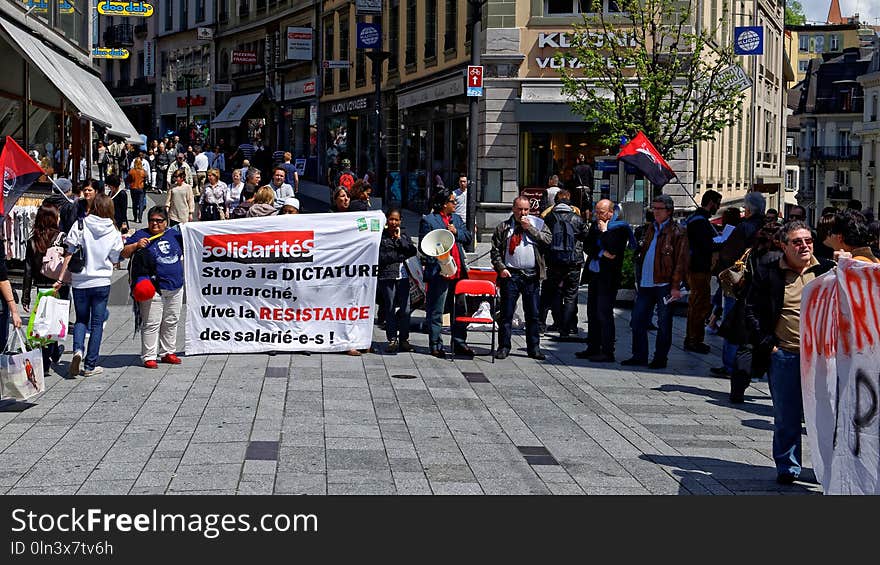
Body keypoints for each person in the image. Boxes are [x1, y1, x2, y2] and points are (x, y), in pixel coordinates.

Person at [743, 221, 834, 484]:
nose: (804, 245)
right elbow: (751, 309)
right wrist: (767, 345)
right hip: (785, 354)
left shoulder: (827, 269)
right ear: (783, 245)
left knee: (824, 416)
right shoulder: (769, 271)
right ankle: (788, 466)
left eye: (808, 240)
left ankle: (824, 467)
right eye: (797, 241)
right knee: (787, 414)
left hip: (821, 358)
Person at [53, 193, 124, 378]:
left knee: (81, 319)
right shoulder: (114, 231)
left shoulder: (80, 224)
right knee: (97, 323)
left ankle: (77, 350)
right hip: (101, 280)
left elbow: (69, 249)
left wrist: (60, 278)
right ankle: (90, 365)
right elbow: (116, 258)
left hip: (80, 280)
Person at [623, 194, 688, 370]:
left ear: (669, 211)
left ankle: (660, 358)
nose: (655, 212)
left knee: (664, 323)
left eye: (659, 209)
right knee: (637, 321)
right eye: (653, 208)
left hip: (664, 285)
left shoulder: (677, 232)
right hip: (646, 283)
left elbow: (681, 261)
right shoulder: (651, 228)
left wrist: (675, 286)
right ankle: (639, 355)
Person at [121, 206, 184, 369]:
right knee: (151, 322)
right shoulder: (141, 234)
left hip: (176, 286)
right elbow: (124, 253)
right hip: (153, 286)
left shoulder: (175, 234)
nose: (155, 224)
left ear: (166, 221)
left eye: (159, 220)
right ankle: (149, 355)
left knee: (171, 320)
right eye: (152, 220)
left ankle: (168, 351)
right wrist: (136, 245)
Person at [490, 196, 552, 360]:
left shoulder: (538, 223)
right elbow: (495, 251)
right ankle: (504, 346)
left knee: (532, 314)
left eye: (526, 209)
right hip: (511, 274)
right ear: (513, 209)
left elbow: (548, 241)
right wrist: (501, 268)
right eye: (519, 209)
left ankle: (534, 348)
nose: (523, 213)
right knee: (506, 313)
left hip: (531, 275)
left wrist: (530, 228)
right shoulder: (504, 227)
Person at [711, 191, 766, 377]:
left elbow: (728, 254)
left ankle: (730, 365)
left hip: (739, 282)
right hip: (760, 283)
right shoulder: (768, 226)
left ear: (749, 209)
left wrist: (720, 269)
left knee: (732, 322)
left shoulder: (744, 227)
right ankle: (753, 365)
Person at [575, 199, 634, 362]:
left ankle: (607, 350)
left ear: (611, 212)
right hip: (595, 274)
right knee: (592, 312)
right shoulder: (596, 225)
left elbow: (614, 250)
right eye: (596, 211)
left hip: (608, 277)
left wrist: (604, 232)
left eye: (601, 212)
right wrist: (601, 252)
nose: (597, 215)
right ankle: (592, 347)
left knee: (604, 313)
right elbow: (587, 246)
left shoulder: (620, 228)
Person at [419, 187, 473, 359]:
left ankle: (459, 342)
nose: (455, 203)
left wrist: (457, 233)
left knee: (461, 309)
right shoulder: (429, 220)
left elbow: (468, 237)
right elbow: (424, 246)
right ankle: (435, 344)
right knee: (437, 310)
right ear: (443, 204)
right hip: (439, 272)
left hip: (458, 273)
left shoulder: (456, 219)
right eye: (452, 201)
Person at [22, 203, 67, 375]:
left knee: (45, 323)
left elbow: (27, 270)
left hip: (40, 288)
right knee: (55, 320)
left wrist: (26, 296)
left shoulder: (32, 241)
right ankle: (47, 360)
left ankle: (52, 353)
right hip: (58, 286)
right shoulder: (61, 238)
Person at [539, 189, 588, 338]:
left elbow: (543, 238)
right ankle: (567, 328)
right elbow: (585, 236)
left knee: (553, 293)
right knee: (571, 295)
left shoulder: (549, 218)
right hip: (573, 261)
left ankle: (552, 322)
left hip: (553, 261)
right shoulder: (577, 218)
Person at [682, 189, 722, 354]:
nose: (718, 208)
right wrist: (721, 242)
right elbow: (705, 245)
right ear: (711, 203)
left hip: (694, 267)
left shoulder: (696, 218)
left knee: (695, 305)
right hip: (698, 268)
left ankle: (692, 338)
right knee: (699, 305)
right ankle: (694, 340)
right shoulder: (700, 222)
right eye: (717, 204)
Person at [378, 209, 417, 354]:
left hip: (403, 276)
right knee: (389, 307)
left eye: (396, 220)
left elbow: (412, 251)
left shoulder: (404, 235)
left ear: (400, 221)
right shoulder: (382, 236)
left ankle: (404, 339)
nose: (393, 222)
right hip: (387, 276)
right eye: (391, 219)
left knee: (406, 309)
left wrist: (399, 240)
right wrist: (399, 254)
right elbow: (383, 257)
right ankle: (392, 338)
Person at [128, 158, 149, 222]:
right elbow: (146, 179)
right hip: (141, 188)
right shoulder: (143, 171)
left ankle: (135, 217)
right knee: (141, 203)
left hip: (133, 188)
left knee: (134, 203)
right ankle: (140, 217)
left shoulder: (132, 171)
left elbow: (129, 179)